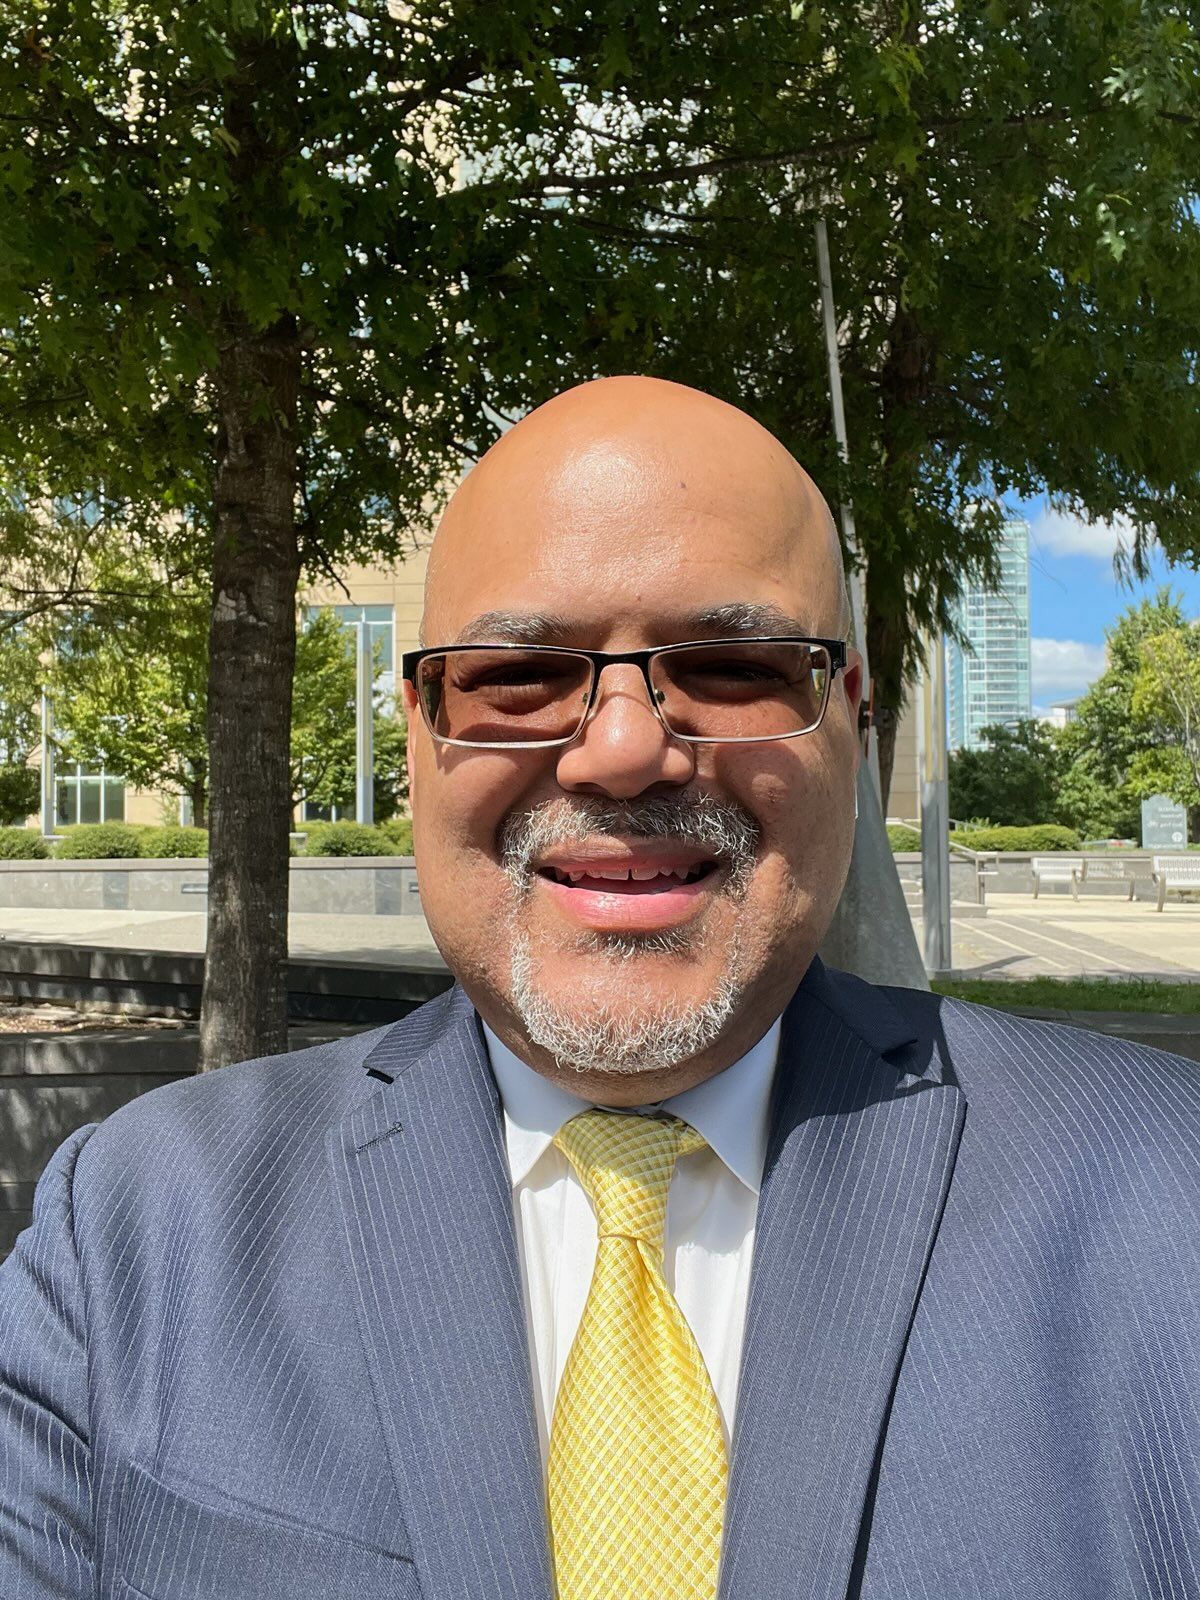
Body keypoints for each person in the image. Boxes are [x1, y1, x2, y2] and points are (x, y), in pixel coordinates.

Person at [1, 376, 1197, 1600]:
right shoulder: (137, 1233)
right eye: (516, 676)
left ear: (853, 715)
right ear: (419, 727)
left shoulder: (1167, 1204)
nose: (623, 749)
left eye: (732, 664)